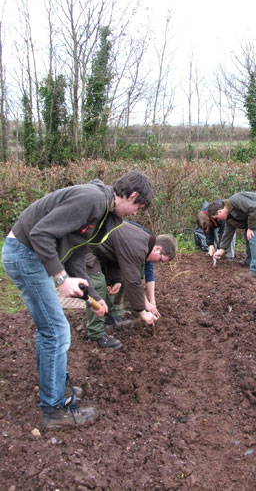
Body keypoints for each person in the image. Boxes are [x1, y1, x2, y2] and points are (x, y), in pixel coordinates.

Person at [1, 171, 153, 428]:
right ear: (133, 195)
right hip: (25, 254)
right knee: (56, 330)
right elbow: (40, 234)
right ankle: (54, 408)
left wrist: (92, 296)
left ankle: (54, 386)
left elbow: (74, 253)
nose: (135, 213)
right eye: (137, 207)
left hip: (29, 255)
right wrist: (60, 278)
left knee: (49, 329)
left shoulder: (103, 211)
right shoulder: (91, 199)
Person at [86, 221, 176, 348]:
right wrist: (143, 312)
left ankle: (108, 318)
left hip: (103, 253)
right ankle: (96, 334)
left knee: (114, 284)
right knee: (98, 283)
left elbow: (119, 260)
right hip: (86, 246)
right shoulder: (139, 247)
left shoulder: (144, 244)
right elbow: (133, 280)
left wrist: (116, 279)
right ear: (157, 248)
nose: (157, 263)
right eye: (160, 260)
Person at [207, 192, 256, 278]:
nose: (218, 220)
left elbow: (255, 208)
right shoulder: (229, 215)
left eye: (217, 217)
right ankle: (249, 261)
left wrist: (251, 228)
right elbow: (228, 233)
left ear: (220, 211)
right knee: (247, 234)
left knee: (254, 235)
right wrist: (221, 249)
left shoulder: (235, 200)